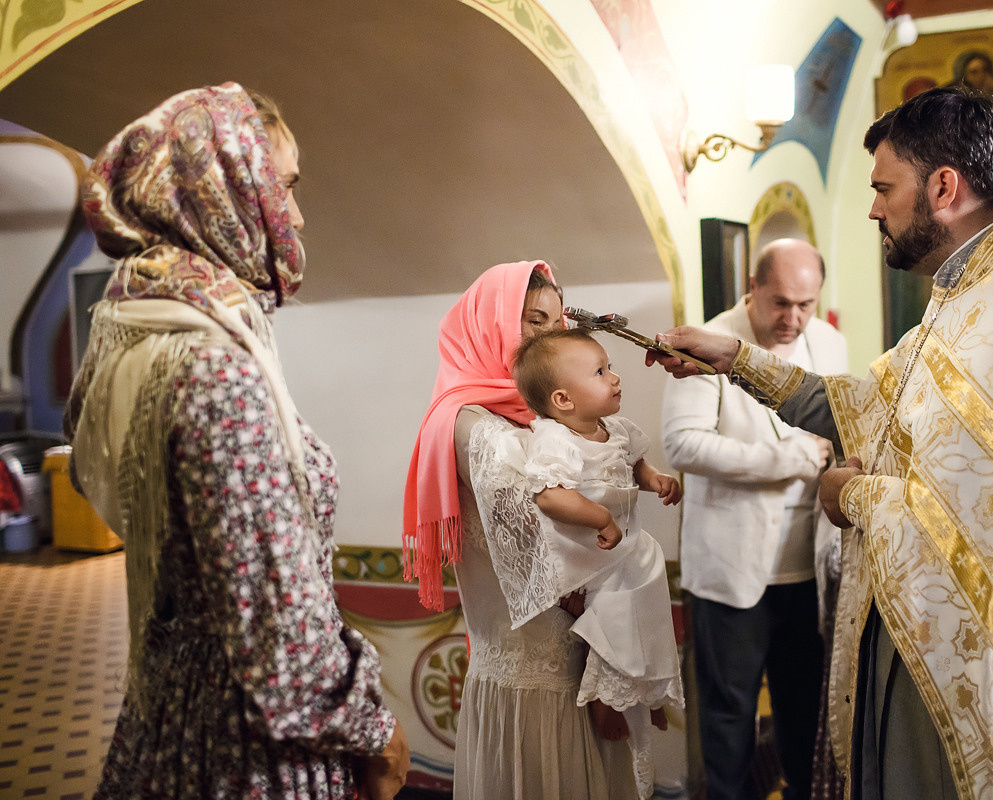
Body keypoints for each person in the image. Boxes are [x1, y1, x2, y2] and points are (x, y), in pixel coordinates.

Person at [647, 87, 993, 799]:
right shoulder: (963, 306)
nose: (873, 209)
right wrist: (732, 357)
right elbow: (863, 407)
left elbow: (966, 522)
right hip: (917, 627)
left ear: (943, 187)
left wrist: (845, 492)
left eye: (885, 187)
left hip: (956, 657)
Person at [63, 84, 408, 798]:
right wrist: (375, 729)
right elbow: (281, 652)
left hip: (170, 704)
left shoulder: (133, 327)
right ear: (220, 193)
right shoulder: (215, 371)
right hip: (247, 751)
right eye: (281, 188)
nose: (297, 216)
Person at [402, 261, 637, 799]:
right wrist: (616, 656)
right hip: (539, 674)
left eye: (556, 324)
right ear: (491, 326)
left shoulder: (534, 418)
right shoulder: (477, 426)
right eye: (533, 322)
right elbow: (548, 558)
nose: (548, 339)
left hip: (573, 661)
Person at [660, 238, 846, 800]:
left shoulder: (831, 344)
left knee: (804, 709)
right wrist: (784, 461)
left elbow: (841, 424)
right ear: (753, 287)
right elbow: (681, 445)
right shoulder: (711, 340)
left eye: (805, 304)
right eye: (780, 302)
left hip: (808, 568)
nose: (793, 318)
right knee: (730, 715)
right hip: (730, 568)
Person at [511, 326, 684, 799]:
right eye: (601, 371)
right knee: (612, 608)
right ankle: (611, 697)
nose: (615, 377)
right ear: (564, 400)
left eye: (610, 367)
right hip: (585, 552)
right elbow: (549, 496)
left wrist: (656, 479)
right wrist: (599, 516)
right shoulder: (555, 439)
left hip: (622, 545)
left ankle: (643, 687)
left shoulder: (618, 430)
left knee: (649, 586)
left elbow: (635, 464)